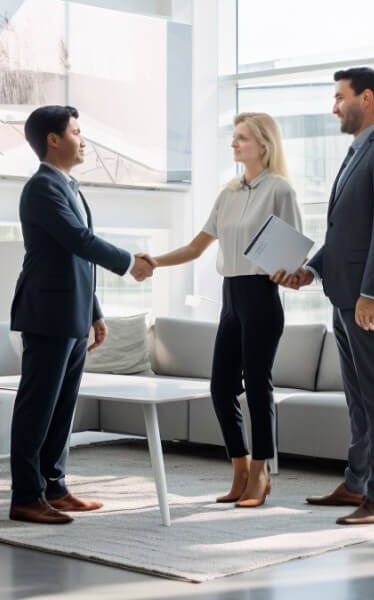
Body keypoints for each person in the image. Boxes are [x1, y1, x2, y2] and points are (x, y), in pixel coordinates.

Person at [7, 105, 155, 525]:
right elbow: (79, 239)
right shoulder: (42, 188)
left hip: (71, 312)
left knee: (61, 407)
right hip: (47, 313)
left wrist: (95, 311)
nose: (83, 139)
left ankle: (54, 486)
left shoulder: (68, 185)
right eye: (75, 131)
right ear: (54, 140)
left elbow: (75, 257)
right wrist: (129, 263)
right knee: (37, 407)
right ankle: (26, 496)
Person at [147, 112, 301, 508]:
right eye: (233, 138)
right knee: (220, 388)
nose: (234, 144)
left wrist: (287, 270)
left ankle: (261, 472)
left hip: (261, 296)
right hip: (231, 295)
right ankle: (240, 468)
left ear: (264, 145)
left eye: (242, 138)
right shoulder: (227, 193)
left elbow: (295, 250)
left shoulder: (279, 190)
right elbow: (197, 247)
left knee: (257, 386)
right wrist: (154, 262)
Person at [282, 67, 374, 525]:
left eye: (340, 97)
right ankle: (357, 484)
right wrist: (312, 269)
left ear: (368, 98)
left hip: (369, 298)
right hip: (345, 294)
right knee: (357, 398)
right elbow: (343, 234)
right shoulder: (356, 153)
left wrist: (372, 294)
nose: (334, 106)